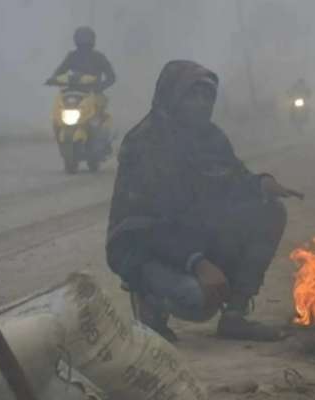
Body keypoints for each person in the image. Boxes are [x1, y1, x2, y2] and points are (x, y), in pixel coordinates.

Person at [106, 60, 303, 342]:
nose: (201, 104)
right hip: (144, 247)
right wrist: (197, 263)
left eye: (207, 97)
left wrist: (261, 183)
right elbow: (147, 224)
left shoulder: (210, 137)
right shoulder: (146, 142)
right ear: (172, 97)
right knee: (198, 300)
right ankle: (148, 302)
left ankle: (235, 316)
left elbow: (233, 179)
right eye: (192, 95)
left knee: (269, 211)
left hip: (194, 234)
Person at [47, 27, 116, 93]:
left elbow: (111, 77)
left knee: (99, 102)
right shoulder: (72, 56)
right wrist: (53, 79)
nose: (84, 44)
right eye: (82, 40)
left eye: (86, 40)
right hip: (72, 93)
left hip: (93, 94)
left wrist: (100, 87)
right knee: (58, 102)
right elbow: (60, 70)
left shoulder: (99, 57)